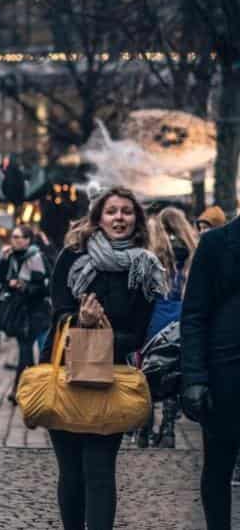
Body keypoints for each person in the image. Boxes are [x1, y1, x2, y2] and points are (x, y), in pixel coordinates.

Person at [45, 187, 165, 530]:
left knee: (99, 471)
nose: (119, 218)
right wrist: (79, 323)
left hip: (110, 377)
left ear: (136, 220)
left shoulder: (144, 265)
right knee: (70, 472)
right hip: (66, 374)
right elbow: (57, 313)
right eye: (112, 211)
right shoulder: (72, 256)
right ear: (98, 217)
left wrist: (102, 330)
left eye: (127, 212)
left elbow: (140, 333)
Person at [181, 207, 240, 529]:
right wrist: (194, 378)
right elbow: (194, 316)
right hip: (224, 379)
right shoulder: (217, 243)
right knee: (218, 470)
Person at [137, 209, 196, 449]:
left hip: (157, 315)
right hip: (182, 315)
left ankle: (144, 428)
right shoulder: (193, 251)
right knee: (175, 370)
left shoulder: (154, 254)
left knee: (147, 370)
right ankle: (168, 428)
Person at [0, 225, 51, 405]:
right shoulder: (11, 257)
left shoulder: (37, 257)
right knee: (25, 354)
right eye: (13, 237)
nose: (15, 240)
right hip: (19, 313)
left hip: (38, 313)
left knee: (41, 354)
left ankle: (27, 390)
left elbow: (46, 286)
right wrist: (3, 261)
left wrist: (24, 287)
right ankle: (23, 391)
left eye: (19, 237)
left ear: (28, 240)